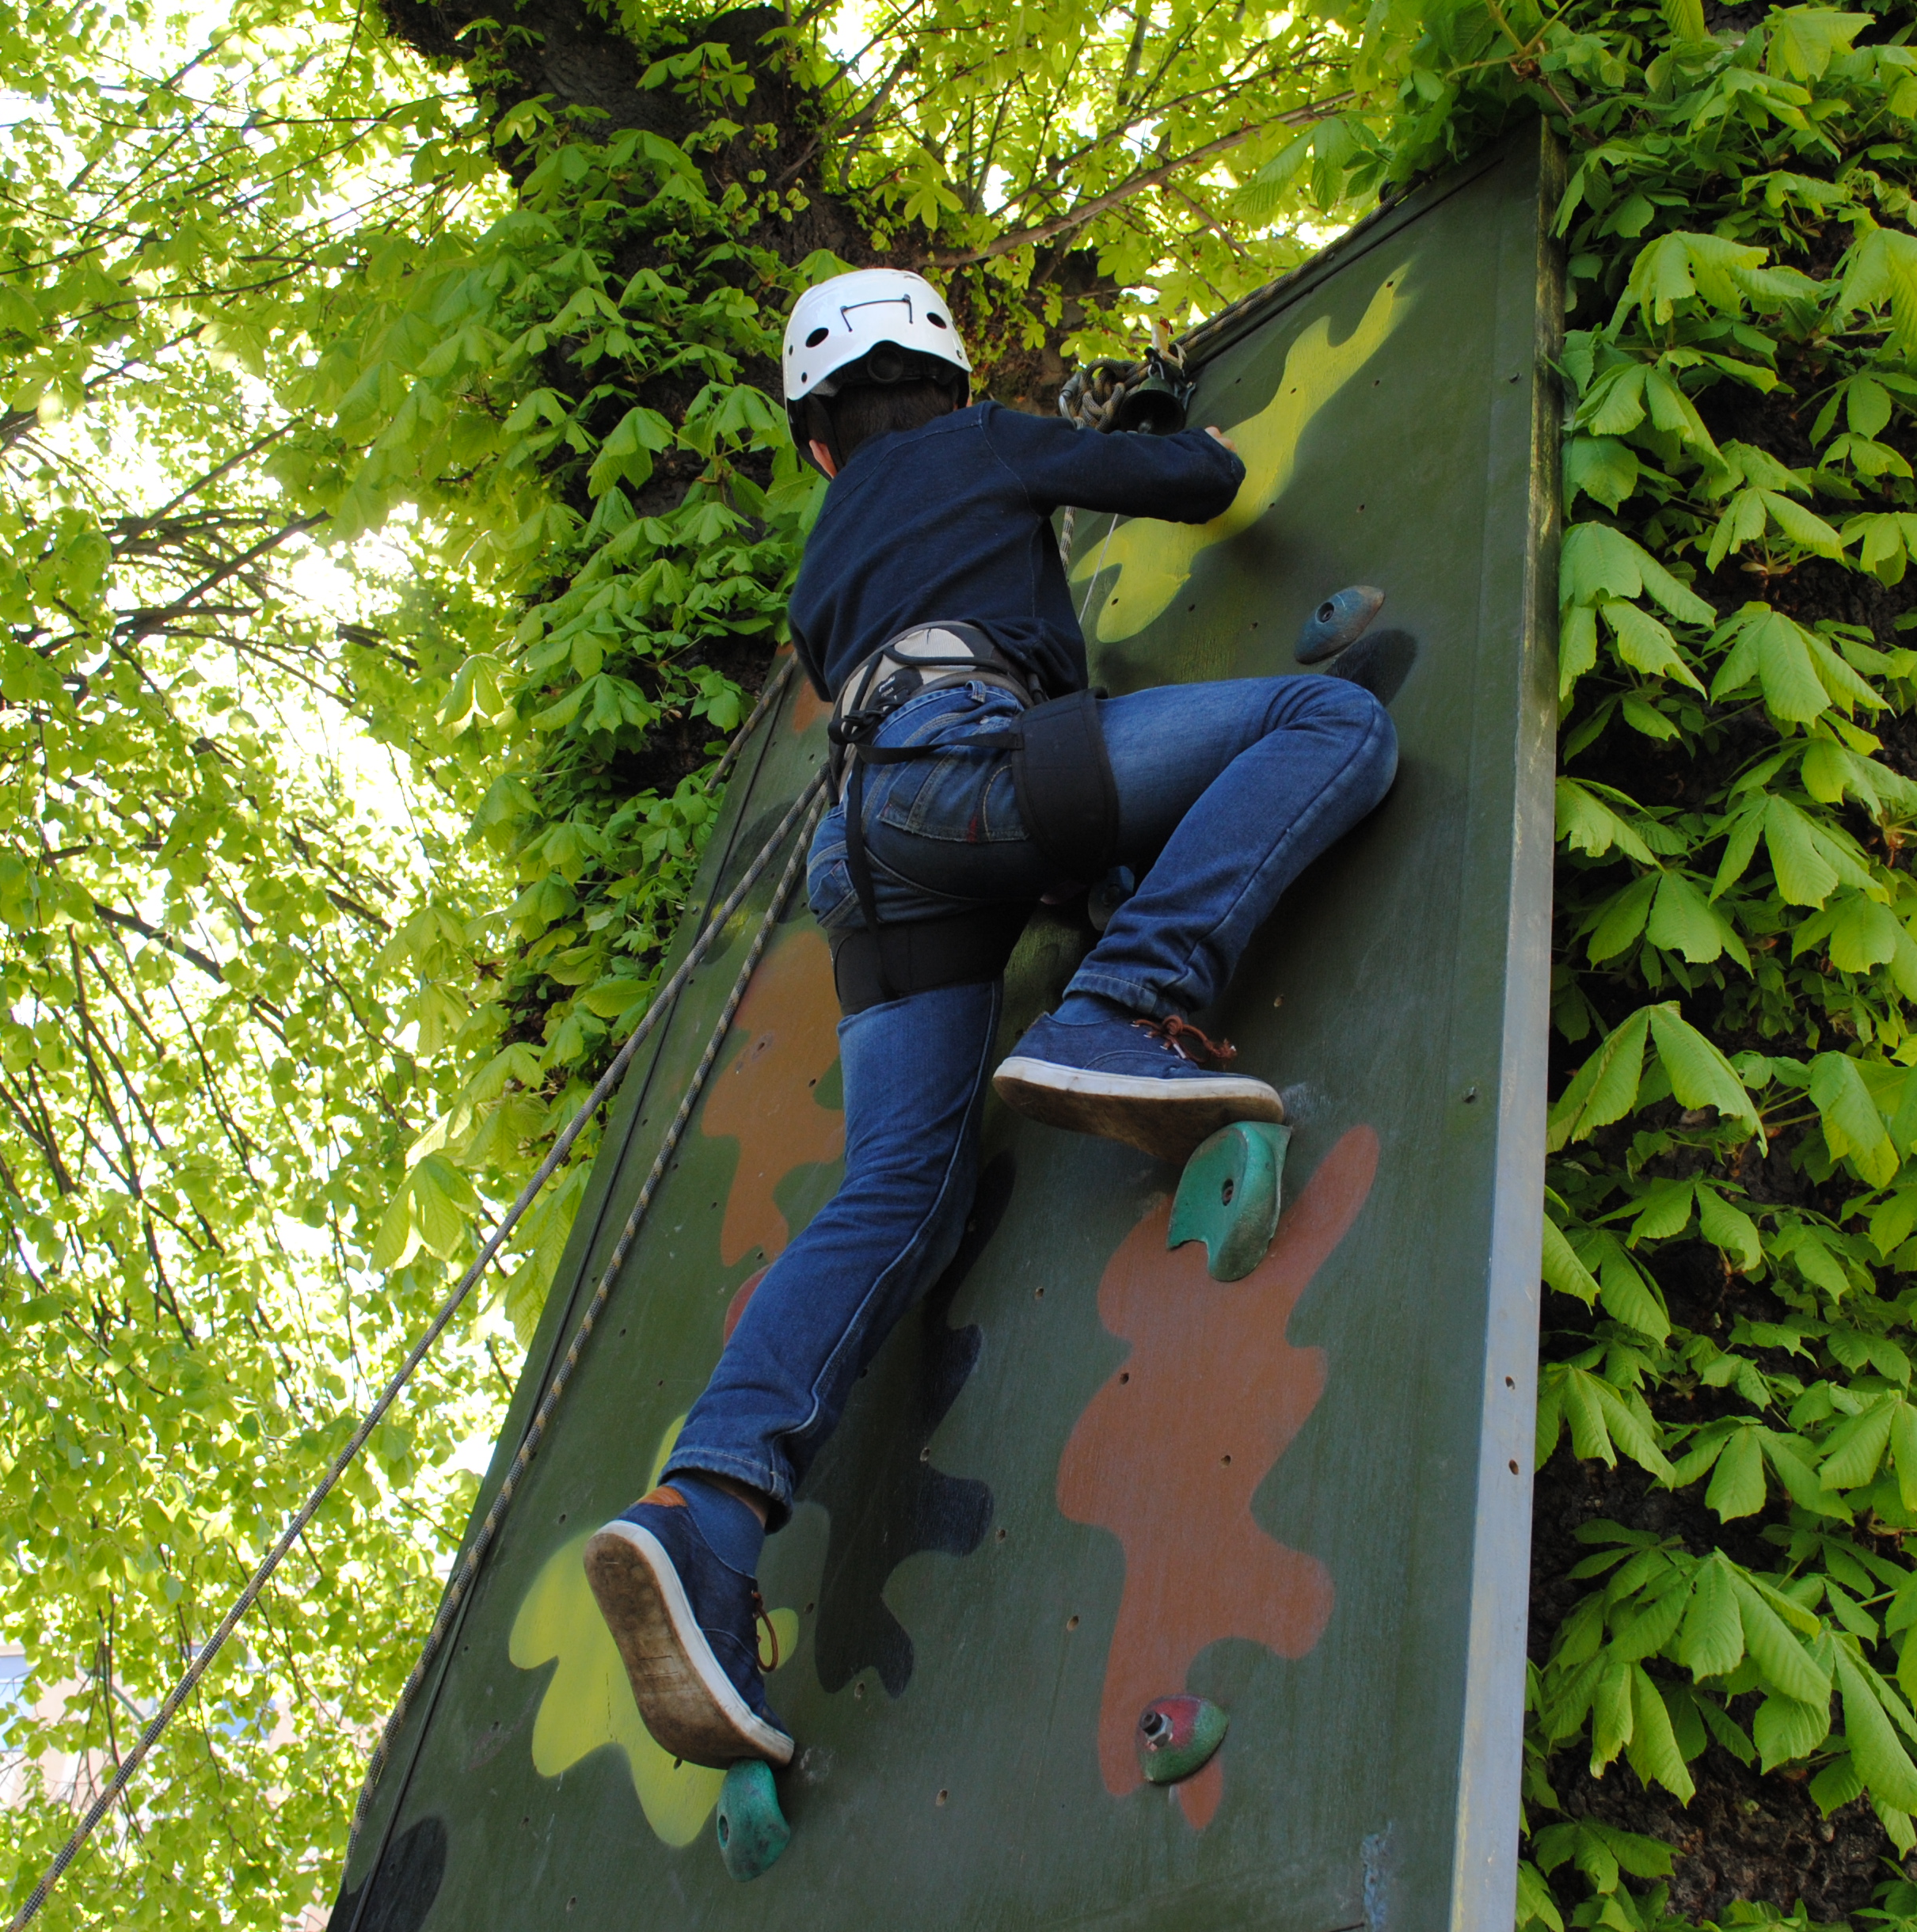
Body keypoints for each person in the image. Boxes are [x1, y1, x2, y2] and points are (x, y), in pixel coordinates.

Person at [584, 268, 1398, 1769]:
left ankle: (706, 1509)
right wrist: (1147, 418)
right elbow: (1201, 478)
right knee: (1330, 720)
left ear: (817, 440)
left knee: (898, 1183)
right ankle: (1128, 1005)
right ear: (948, 384)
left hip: (870, 860)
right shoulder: (976, 445)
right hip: (969, 776)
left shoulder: (826, 557)